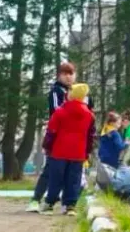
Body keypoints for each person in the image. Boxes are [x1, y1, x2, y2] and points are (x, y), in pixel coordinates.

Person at [27, 62, 92, 212]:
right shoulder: (56, 91)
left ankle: (66, 204)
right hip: (58, 136)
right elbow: (57, 111)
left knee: (71, 173)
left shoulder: (79, 92)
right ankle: (36, 200)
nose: (68, 77)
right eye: (65, 74)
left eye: (71, 73)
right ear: (59, 75)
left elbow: (88, 112)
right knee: (50, 169)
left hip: (75, 142)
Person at [41, 84, 95, 216]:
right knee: (74, 179)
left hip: (59, 151)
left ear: (72, 94)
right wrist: (87, 152)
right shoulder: (89, 115)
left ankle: (49, 204)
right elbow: (90, 136)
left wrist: (47, 146)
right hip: (78, 153)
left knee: (56, 178)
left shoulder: (60, 112)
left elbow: (51, 131)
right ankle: (70, 206)